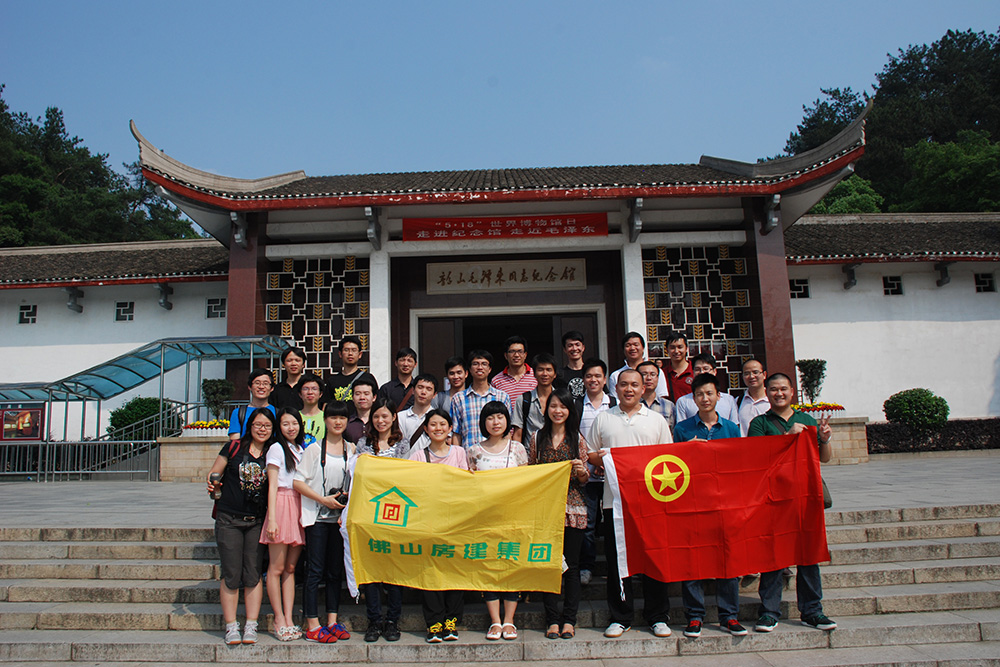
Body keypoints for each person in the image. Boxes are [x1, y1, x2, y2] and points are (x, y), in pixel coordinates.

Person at [587, 368, 674, 639]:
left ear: (643, 388)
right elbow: (590, 454)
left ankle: (657, 616)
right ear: (615, 388)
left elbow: (667, 459)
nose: (629, 389)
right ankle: (620, 616)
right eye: (623, 384)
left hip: (651, 503)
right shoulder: (604, 418)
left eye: (634, 385)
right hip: (615, 503)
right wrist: (607, 460)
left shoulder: (656, 420)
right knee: (617, 561)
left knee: (654, 559)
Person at [748, 372, 836, 634]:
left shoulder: (806, 420)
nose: (779, 394)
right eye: (774, 389)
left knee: (808, 555)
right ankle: (769, 612)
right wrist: (787, 435)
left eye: (783, 389)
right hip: (773, 499)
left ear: (792, 391)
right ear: (767, 392)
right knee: (773, 556)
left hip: (805, 497)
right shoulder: (760, 423)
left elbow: (824, 458)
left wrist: (825, 439)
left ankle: (812, 611)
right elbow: (759, 459)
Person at [671, 374, 746, 638]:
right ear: (693, 399)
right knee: (693, 559)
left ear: (718, 396)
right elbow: (674, 466)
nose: (705, 399)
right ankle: (694, 616)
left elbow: (739, 463)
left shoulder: (731, 429)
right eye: (700, 394)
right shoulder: (682, 430)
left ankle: (729, 615)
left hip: (724, 502)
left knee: (727, 558)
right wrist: (686, 450)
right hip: (692, 503)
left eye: (709, 393)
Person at [206, 407, 273, 645]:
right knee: (231, 573)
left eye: (267, 426)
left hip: (257, 521)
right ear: (249, 427)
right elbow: (214, 473)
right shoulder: (233, 448)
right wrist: (214, 484)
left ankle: (251, 625)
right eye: (258, 425)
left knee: (253, 574)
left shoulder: (273, 453)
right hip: (229, 519)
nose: (262, 429)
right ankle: (231, 625)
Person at [529, 387, 590, 641]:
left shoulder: (577, 439)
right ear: (547, 409)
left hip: (573, 508)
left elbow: (585, 479)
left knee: (572, 567)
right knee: (549, 565)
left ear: (569, 410)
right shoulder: (537, 438)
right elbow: (531, 471)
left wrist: (581, 471)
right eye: (553, 406)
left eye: (563, 407)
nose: (558, 411)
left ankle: (569, 620)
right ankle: (552, 620)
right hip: (546, 510)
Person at [292, 401, 354, 643]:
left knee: (334, 572)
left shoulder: (351, 449)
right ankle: (312, 624)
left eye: (342, 418)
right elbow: (298, 482)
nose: (338, 422)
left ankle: (332, 621)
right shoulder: (314, 449)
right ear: (325, 420)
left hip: (339, 521)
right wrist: (322, 499)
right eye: (333, 417)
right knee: (315, 572)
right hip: (318, 519)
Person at [466, 401, 528, 641]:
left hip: (513, 517)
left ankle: (509, 620)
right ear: (484, 422)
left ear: (507, 421)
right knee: (488, 566)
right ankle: (494, 620)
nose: (496, 422)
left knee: (512, 564)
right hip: (485, 518)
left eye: (500, 417)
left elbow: (527, 480)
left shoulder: (518, 449)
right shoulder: (474, 451)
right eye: (490, 418)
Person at [408, 409, 468, 643]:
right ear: (426, 429)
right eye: (433, 424)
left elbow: (465, 483)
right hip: (428, 522)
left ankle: (451, 621)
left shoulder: (459, 452)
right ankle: (433, 622)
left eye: (443, 424)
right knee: (430, 572)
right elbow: (411, 487)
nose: (438, 428)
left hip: (455, 521)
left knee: (454, 570)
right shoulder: (417, 456)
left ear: (450, 428)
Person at [355, 398, 409, 642]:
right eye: (376, 416)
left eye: (385, 416)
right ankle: (374, 620)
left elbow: (404, 476)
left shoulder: (403, 444)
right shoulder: (363, 443)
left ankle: (392, 620)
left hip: (395, 513)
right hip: (369, 511)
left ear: (394, 417)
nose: (380, 420)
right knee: (372, 569)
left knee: (394, 569)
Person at [260, 408, 307, 642]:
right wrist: (273, 519)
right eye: (286, 424)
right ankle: (278, 618)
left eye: (294, 423)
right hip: (281, 504)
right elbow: (272, 485)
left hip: (298, 505)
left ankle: (289, 617)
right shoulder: (276, 449)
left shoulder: (301, 449)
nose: (291, 428)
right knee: (276, 568)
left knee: (290, 568)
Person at [576, 358, 616, 586]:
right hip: (587, 475)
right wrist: (592, 462)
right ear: (583, 379)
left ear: (605, 379)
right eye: (589, 376)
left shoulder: (614, 403)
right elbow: (575, 438)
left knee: (614, 522)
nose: (593, 380)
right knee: (588, 523)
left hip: (613, 474)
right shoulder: (577, 405)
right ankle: (587, 566)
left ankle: (616, 567)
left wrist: (605, 462)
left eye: (598, 376)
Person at [451, 350, 511, 450]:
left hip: (497, 455)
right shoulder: (458, 398)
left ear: (490, 369)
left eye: (484, 364)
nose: (480, 367)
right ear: (469, 369)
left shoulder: (502, 397)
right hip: (468, 455)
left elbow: (507, 431)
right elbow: (457, 434)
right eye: (475, 364)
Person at [673, 353, 738, 424]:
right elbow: (682, 428)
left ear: (714, 371)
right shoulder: (683, 402)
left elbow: (734, 427)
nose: (702, 372)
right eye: (697, 369)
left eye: (706, 369)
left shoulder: (729, 400)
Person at [511, 352, 558, 446]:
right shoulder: (523, 400)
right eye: (540, 370)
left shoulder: (561, 400)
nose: (545, 374)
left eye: (549, 370)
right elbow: (517, 434)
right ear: (534, 373)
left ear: (555, 374)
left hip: (556, 453)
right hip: (530, 453)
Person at [608, 332, 668, 398]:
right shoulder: (616, 375)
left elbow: (661, 397)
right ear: (623, 350)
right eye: (628, 345)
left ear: (643, 348)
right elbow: (616, 400)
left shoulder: (656, 371)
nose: (632, 348)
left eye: (636, 344)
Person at [228, 369, 277, 441]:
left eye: (265, 383)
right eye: (257, 383)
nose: (261, 386)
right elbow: (234, 441)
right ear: (250, 387)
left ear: (272, 388)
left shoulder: (277, 413)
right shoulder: (239, 413)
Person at [490, 335, 537, 400]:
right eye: (512, 351)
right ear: (506, 355)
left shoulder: (536, 375)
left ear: (525, 355)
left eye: (520, 351)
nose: (516, 355)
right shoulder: (496, 381)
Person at [398, 373, 437, 448]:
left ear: (434, 395)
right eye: (420, 387)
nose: (423, 392)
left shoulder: (438, 418)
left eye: (429, 389)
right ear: (413, 390)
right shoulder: (400, 417)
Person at [638, 360, 675, 431]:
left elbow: (673, 432)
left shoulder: (668, 405)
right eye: (644, 374)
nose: (649, 378)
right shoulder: (632, 405)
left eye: (653, 374)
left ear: (658, 378)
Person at [326, 336, 365, 404]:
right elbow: (326, 405)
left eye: (354, 350)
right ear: (340, 354)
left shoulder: (367, 378)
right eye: (346, 350)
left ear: (360, 354)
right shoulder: (332, 381)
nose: (350, 353)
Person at [737, 358, 770, 437]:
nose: (751, 376)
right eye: (747, 373)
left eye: (755, 372)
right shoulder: (737, 402)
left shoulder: (772, 400)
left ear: (764, 375)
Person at [344, 373, 378, 444]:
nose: (362, 397)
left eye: (366, 394)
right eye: (358, 394)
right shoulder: (346, 423)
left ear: (374, 397)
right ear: (352, 397)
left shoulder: (380, 421)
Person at [664, 333, 694, 402]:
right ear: (667, 350)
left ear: (686, 348)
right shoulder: (662, 374)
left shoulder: (695, 371)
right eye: (672, 348)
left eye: (680, 347)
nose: (676, 351)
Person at [297, 373, 326, 446]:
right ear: (300, 394)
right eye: (305, 389)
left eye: (314, 389)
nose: (310, 392)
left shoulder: (326, 418)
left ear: (320, 393)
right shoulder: (295, 417)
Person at [557, 331, 587, 399]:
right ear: (565, 349)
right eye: (570, 345)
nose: (574, 348)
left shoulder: (591, 372)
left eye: (577, 345)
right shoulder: (560, 375)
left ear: (583, 347)